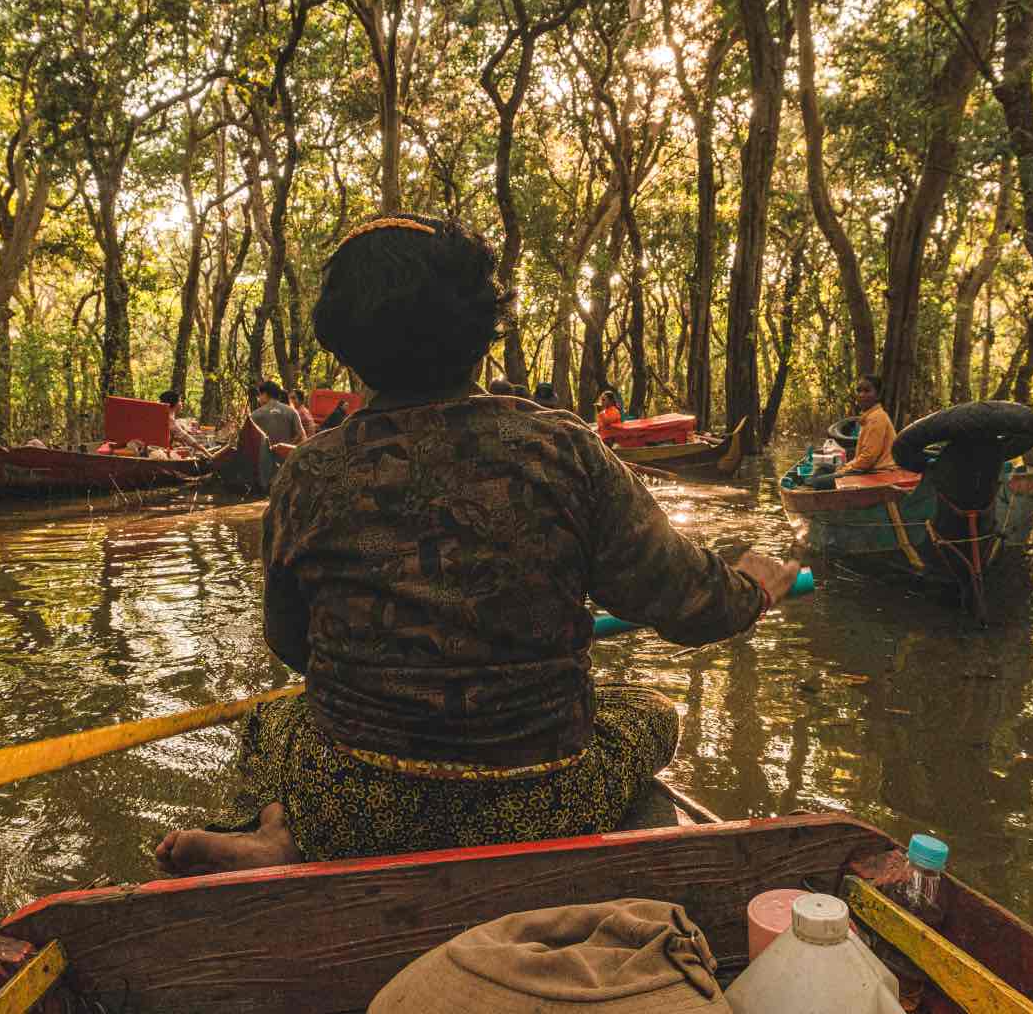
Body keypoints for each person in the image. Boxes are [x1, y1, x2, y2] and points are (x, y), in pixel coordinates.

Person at [154, 213, 798, 876]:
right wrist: (750, 586)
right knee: (652, 709)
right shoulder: (563, 446)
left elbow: (291, 646)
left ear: (346, 340)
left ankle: (277, 833)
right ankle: (286, 835)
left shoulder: (307, 472)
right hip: (540, 800)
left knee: (271, 722)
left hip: (352, 806)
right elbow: (690, 603)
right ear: (481, 326)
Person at [807, 375, 896, 489]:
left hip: (877, 471)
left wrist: (845, 468)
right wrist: (845, 467)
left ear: (878, 395)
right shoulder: (869, 416)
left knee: (819, 482)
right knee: (824, 468)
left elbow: (868, 459)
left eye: (867, 391)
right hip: (868, 468)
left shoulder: (876, 418)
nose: (861, 395)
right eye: (859, 390)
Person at [158, 389, 214, 457]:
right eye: (180, 401)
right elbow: (186, 437)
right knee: (188, 454)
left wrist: (182, 442)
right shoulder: (169, 419)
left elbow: (177, 435)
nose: (181, 403)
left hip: (162, 450)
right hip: (160, 453)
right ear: (174, 403)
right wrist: (205, 451)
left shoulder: (163, 416)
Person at [251, 381, 305, 446]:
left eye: (259, 395)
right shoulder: (292, 412)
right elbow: (301, 435)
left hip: (264, 455)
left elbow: (248, 440)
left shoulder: (255, 415)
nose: (258, 399)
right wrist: (287, 447)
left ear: (264, 394)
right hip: (287, 454)